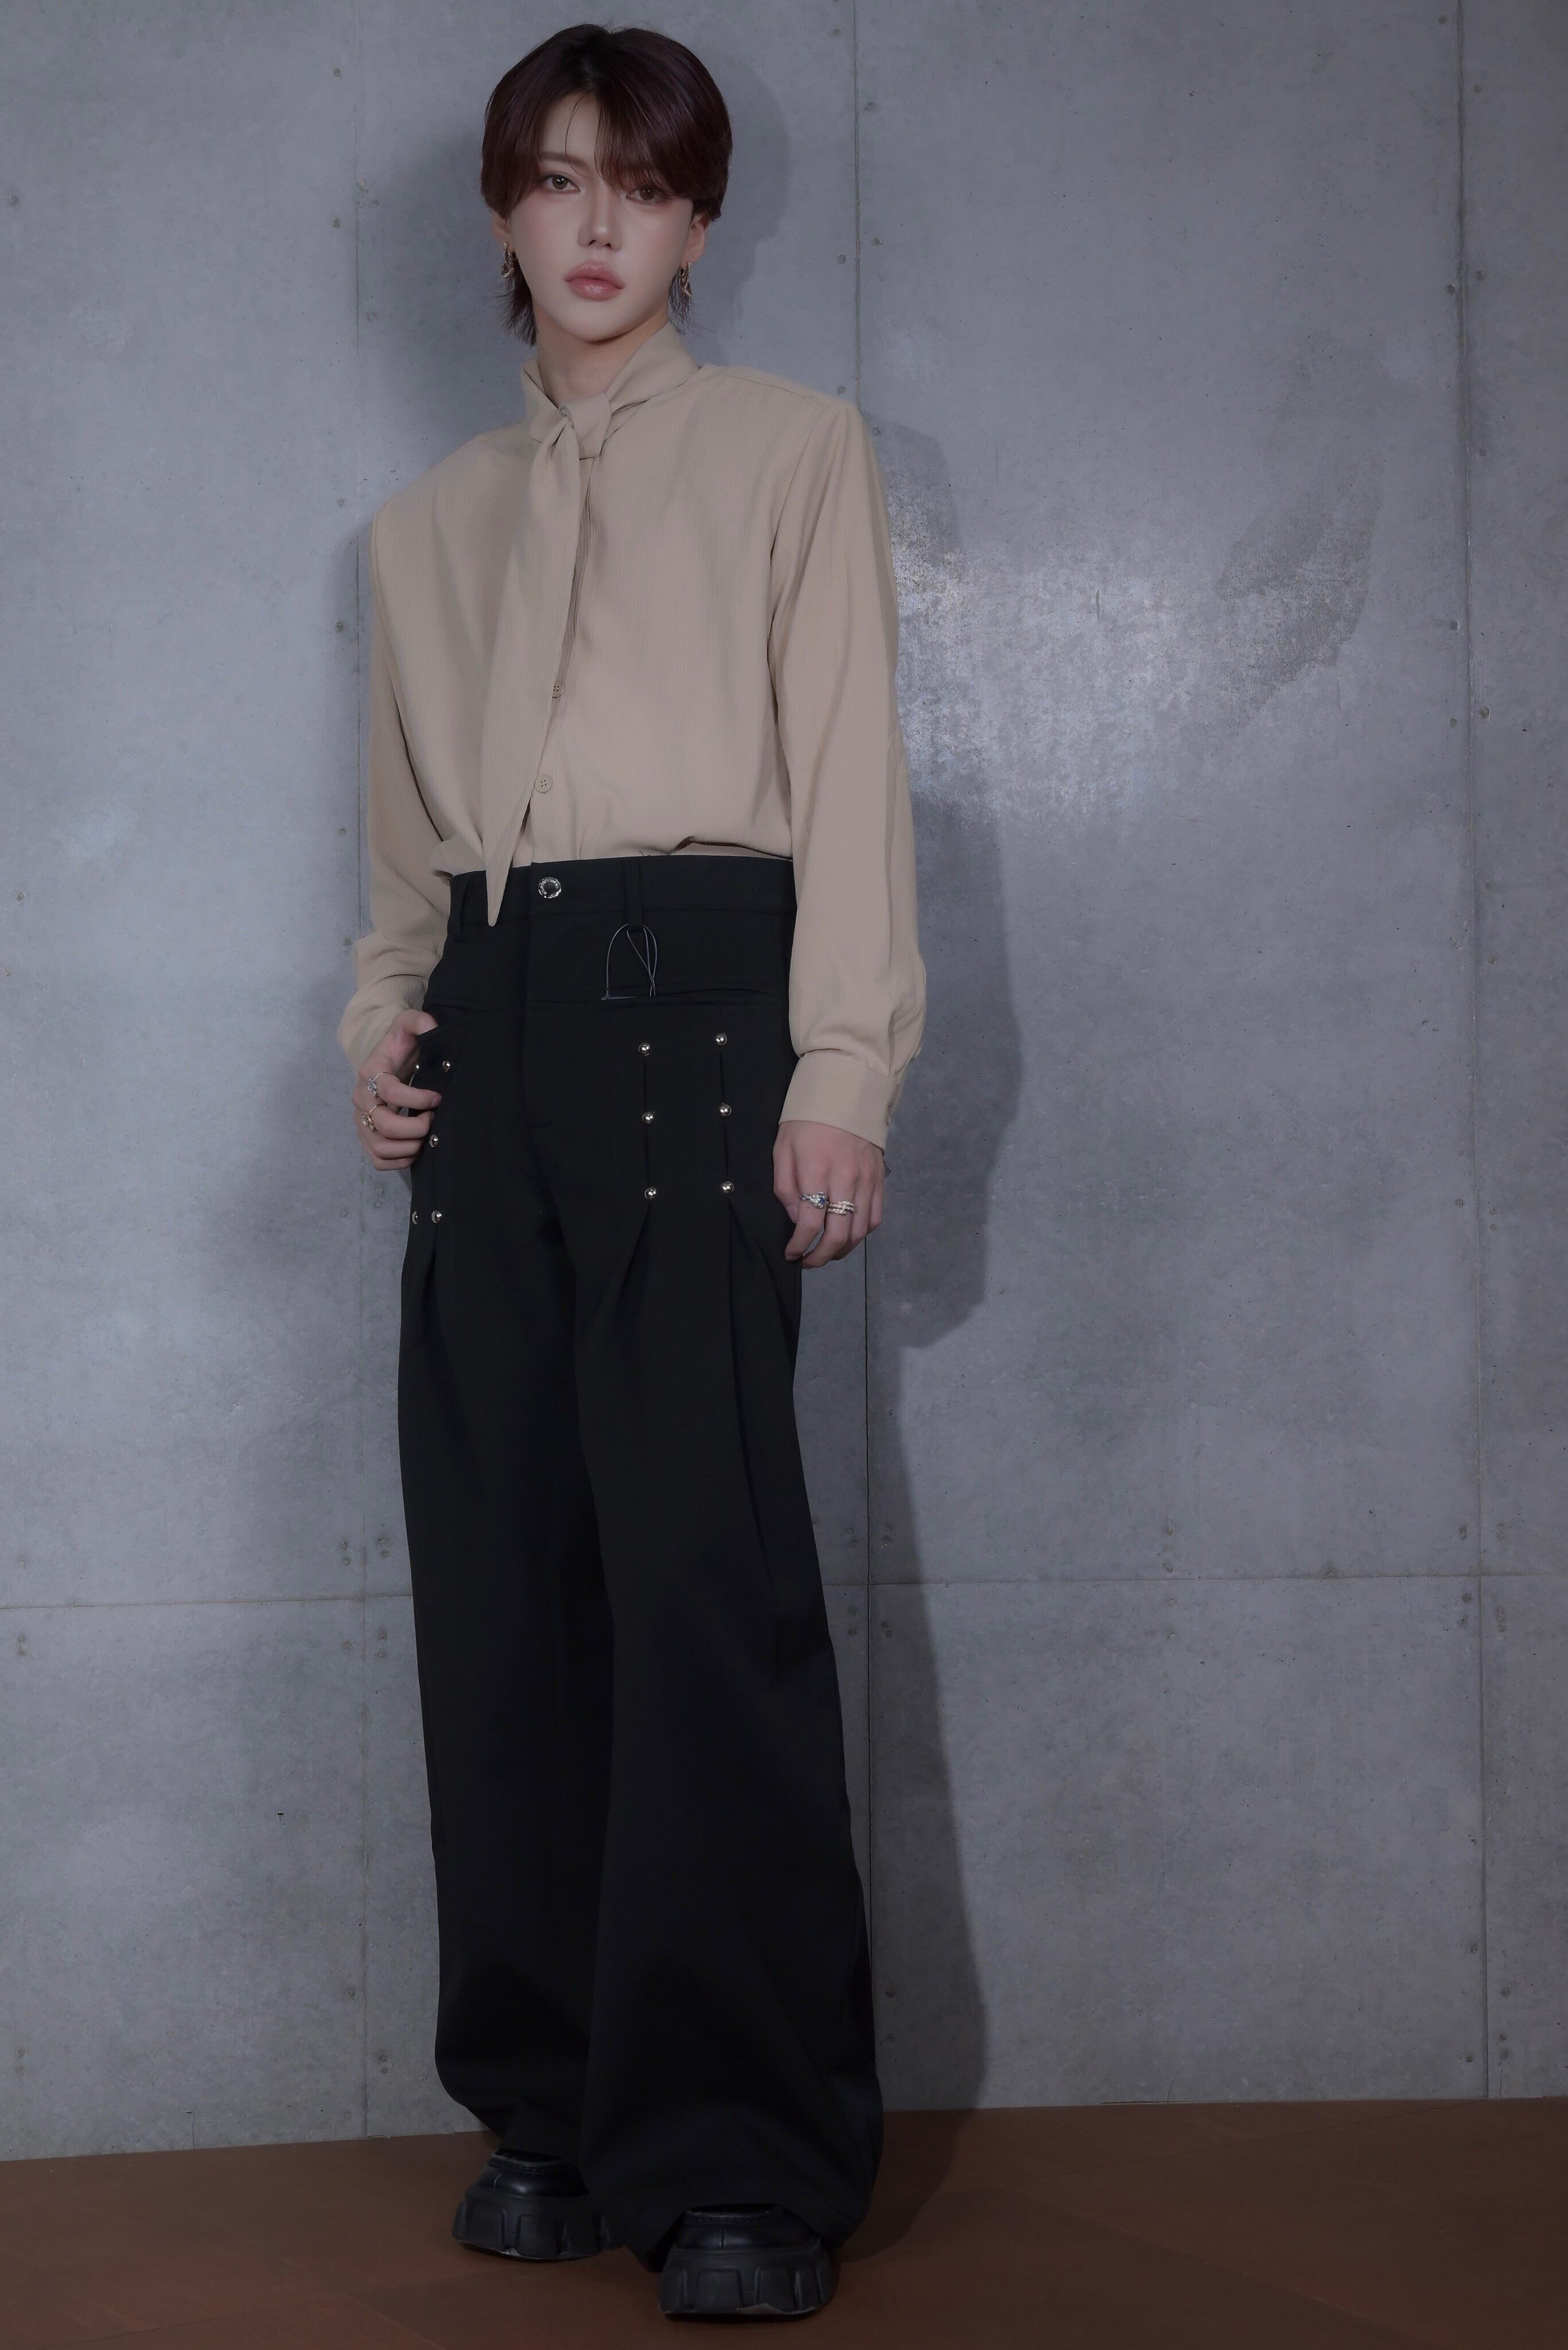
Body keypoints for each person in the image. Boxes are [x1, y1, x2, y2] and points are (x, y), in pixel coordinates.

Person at [337, 20, 924, 2324]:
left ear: (699, 220)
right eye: (563, 179)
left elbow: (849, 775)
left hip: (702, 1011)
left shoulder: (792, 451)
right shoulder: (426, 527)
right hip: (487, 1031)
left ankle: (743, 2152)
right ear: (505, 202)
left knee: (695, 1588)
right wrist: (378, 1031)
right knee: (505, 1585)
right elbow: (403, 858)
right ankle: (553, 2102)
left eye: (648, 188)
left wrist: (844, 1067)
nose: (601, 227)